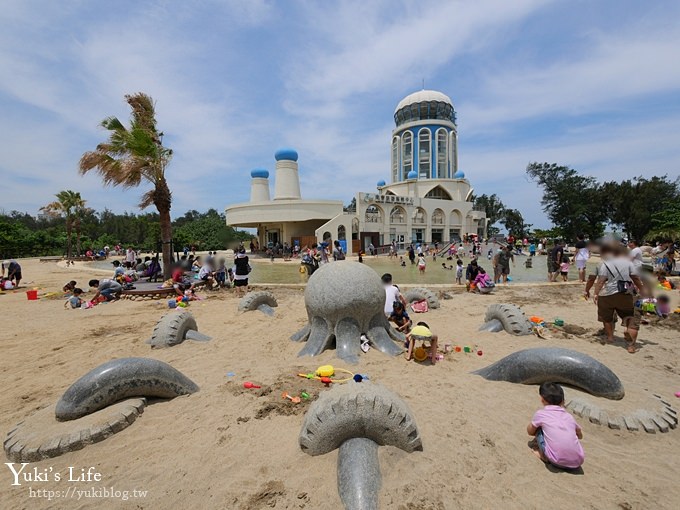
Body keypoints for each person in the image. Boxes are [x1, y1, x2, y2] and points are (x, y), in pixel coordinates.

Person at [592, 243, 646, 353]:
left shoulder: (606, 264)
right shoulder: (629, 263)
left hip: (608, 294)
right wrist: (642, 288)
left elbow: (601, 280)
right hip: (626, 292)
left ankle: (610, 337)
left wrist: (596, 293)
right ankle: (631, 346)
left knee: (607, 317)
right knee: (630, 318)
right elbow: (635, 278)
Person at [527, 383, 584, 470]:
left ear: (542, 399)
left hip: (556, 461)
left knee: (538, 428)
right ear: (562, 401)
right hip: (577, 463)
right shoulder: (569, 417)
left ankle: (543, 456)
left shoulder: (541, 414)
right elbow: (580, 436)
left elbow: (530, 431)